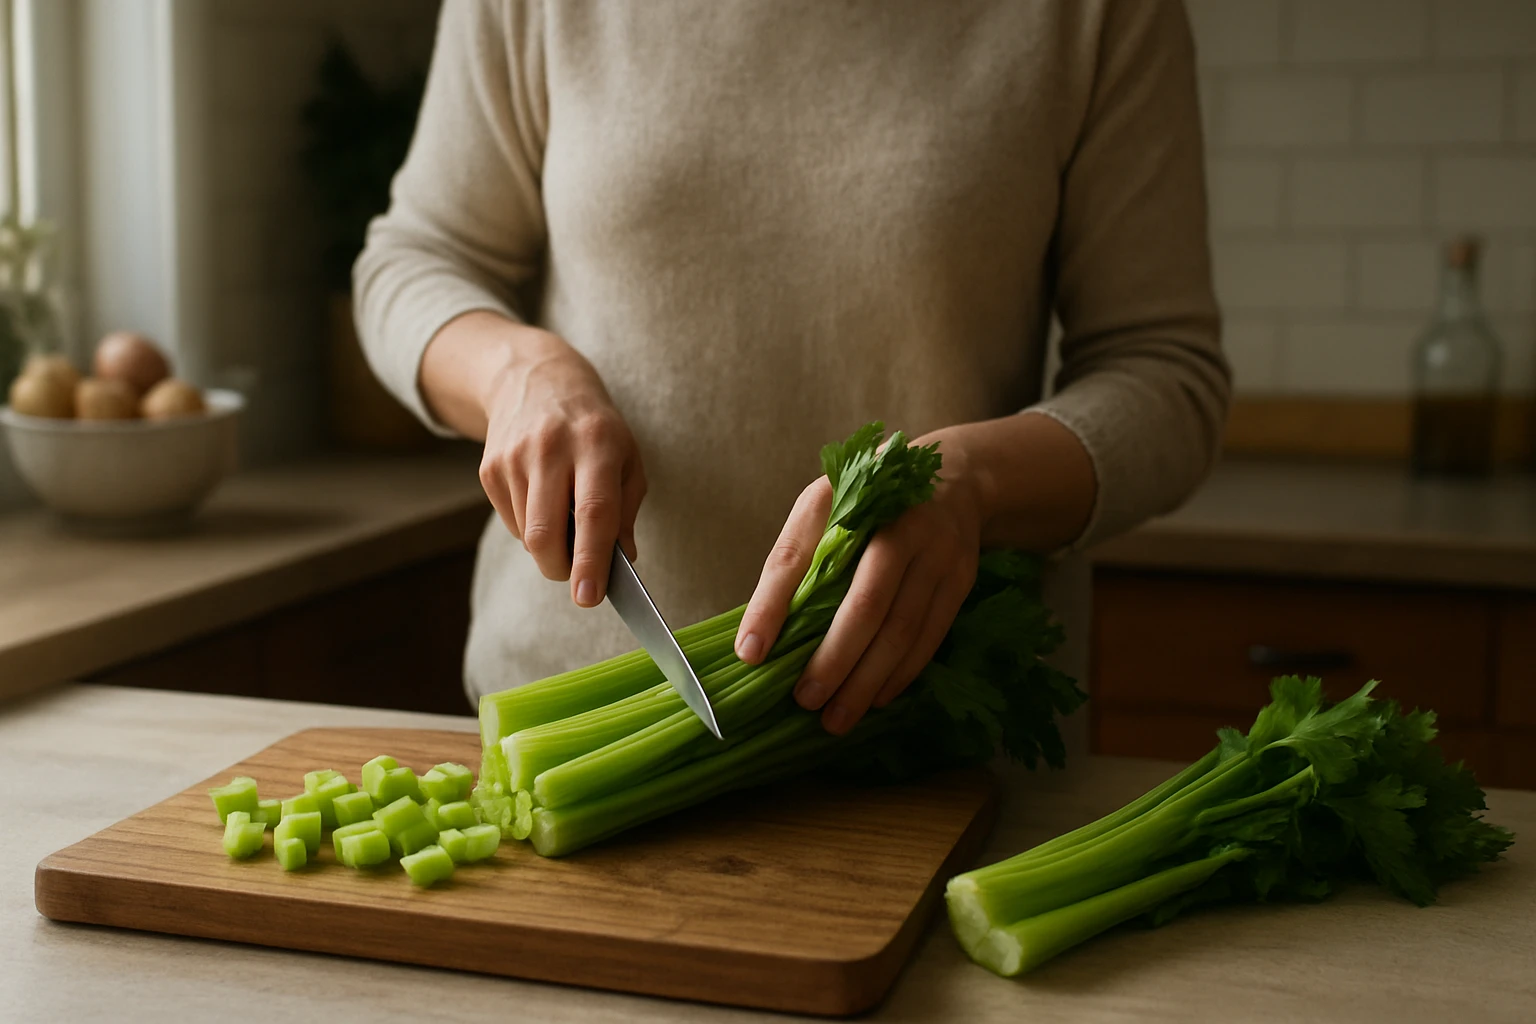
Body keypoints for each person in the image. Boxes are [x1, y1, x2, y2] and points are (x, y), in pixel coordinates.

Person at [354, 0, 1229, 736]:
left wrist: (973, 482)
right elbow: (414, 259)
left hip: (930, 738)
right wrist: (518, 373)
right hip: (568, 716)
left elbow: (1166, 374)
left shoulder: (1098, 14)